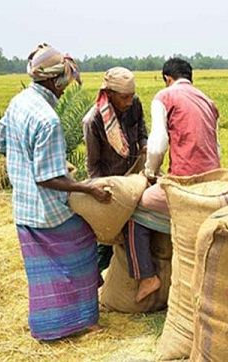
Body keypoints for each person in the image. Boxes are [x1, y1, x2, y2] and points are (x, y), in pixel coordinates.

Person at [0, 43, 111, 341]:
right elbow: (47, 179)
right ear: (52, 80)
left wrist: (31, 159)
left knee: (43, 271)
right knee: (84, 244)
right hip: (48, 210)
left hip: (24, 206)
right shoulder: (48, 119)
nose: (64, 89)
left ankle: (50, 325)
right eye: (63, 82)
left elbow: (0, 143)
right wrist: (87, 187)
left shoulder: (18, 101)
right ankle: (83, 320)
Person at [129, 57, 221, 302]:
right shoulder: (208, 102)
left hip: (185, 185)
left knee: (134, 210)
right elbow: (217, 149)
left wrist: (149, 173)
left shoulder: (165, 97)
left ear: (167, 79)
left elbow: (158, 144)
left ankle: (147, 277)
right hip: (213, 183)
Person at [82, 67, 148, 273]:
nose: (129, 102)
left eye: (131, 97)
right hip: (111, 182)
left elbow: (142, 131)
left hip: (135, 176)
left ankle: (130, 272)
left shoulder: (134, 105)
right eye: (124, 98)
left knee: (137, 228)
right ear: (109, 95)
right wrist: (102, 192)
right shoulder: (93, 121)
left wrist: (146, 146)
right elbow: (93, 164)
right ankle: (97, 279)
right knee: (108, 237)